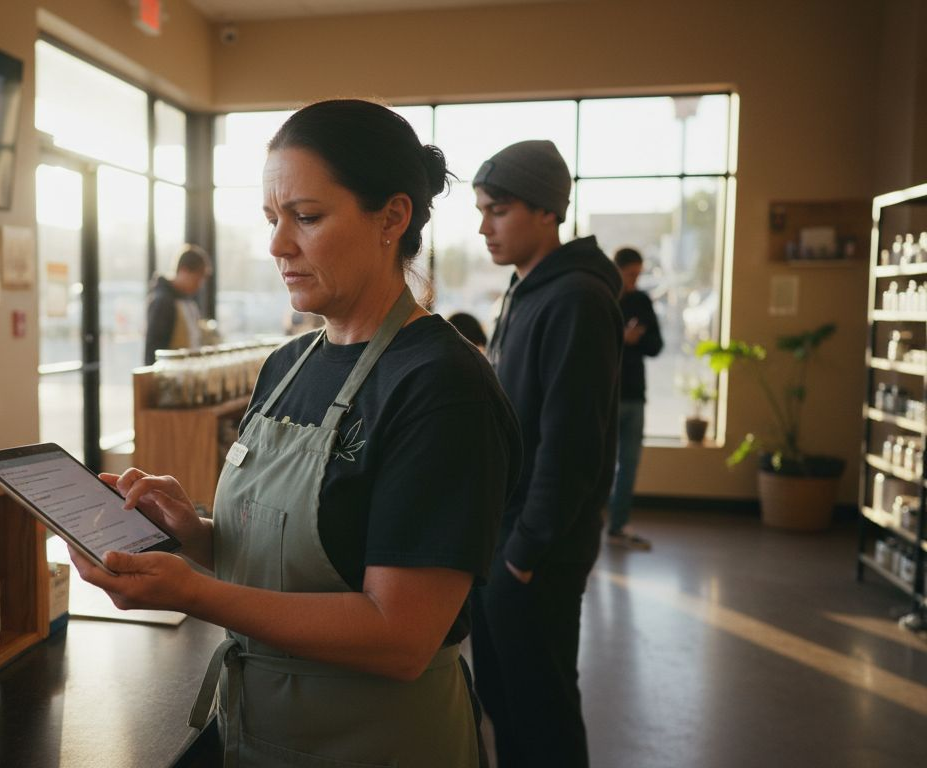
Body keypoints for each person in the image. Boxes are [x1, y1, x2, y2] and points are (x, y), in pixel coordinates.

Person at [71, 99, 520, 767]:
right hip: (259, 730)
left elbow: (401, 636)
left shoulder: (440, 386)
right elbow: (302, 560)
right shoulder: (287, 365)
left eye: (306, 218)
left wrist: (193, 592)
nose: (279, 245)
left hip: (379, 745)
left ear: (392, 217)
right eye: (272, 220)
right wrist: (195, 533)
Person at [468, 139, 623, 768]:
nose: (484, 227)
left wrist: (525, 553)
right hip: (502, 539)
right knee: (505, 703)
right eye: (481, 210)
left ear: (547, 212)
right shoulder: (528, 288)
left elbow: (573, 444)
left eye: (498, 210)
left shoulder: (577, 298)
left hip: (533, 549)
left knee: (542, 708)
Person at [607, 247, 662, 550]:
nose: (634, 281)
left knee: (629, 463)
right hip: (608, 395)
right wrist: (622, 340)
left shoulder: (641, 301)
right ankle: (591, 525)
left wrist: (636, 341)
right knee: (599, 464)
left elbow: (656, 345)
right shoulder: (603, 298)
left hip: (635, 395)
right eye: (630, 275)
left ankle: (618, 526)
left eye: (638, 275)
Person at [144, 245, 211, 364]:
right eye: (197, 279)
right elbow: (153, 350)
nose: (199, 285)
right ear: (183, 271)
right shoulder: (163, 301)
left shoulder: (188, 301)